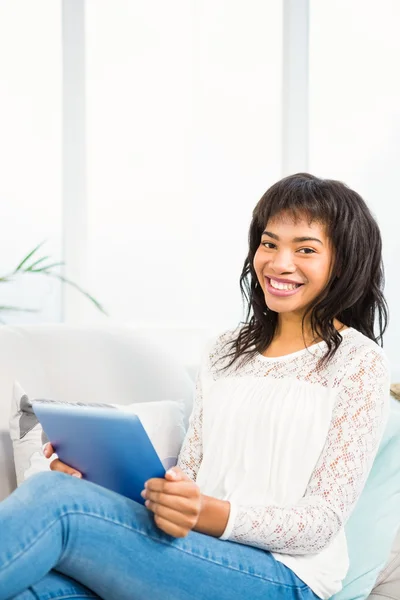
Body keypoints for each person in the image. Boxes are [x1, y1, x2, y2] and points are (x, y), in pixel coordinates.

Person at [0, 173, 390, 600]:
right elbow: (188, 474)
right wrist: (100, 480)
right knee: (38, 587)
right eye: (269, 243)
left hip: (286, 576)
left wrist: (207, 513)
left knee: (57, 500)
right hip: (196, 553)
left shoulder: (358, 362)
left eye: (306, 250)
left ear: (345, 261)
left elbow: (320, 524)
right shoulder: (225, 351)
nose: (279, 263)